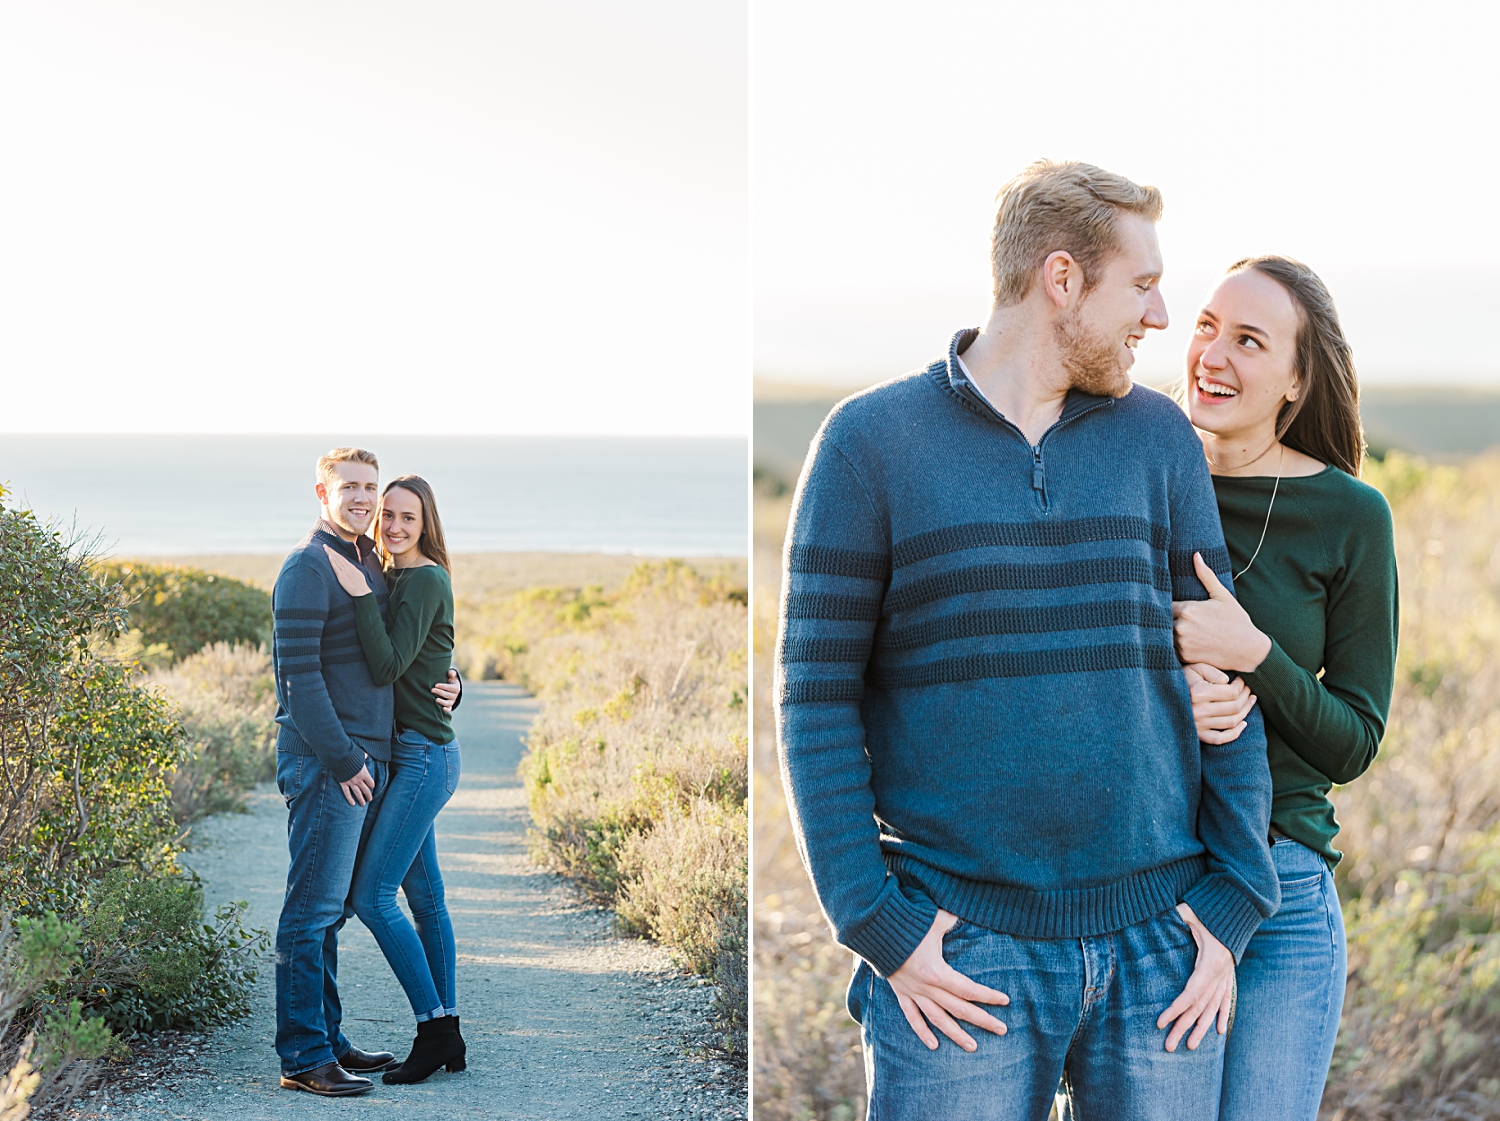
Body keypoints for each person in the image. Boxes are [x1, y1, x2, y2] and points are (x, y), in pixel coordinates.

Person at [775, 159, 1280, 1121]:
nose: (1161, 317)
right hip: (961, 952)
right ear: (1061, 280)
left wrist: (1231, 907)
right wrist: (880, 924)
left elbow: (1219, 665)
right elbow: (815, 699)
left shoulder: (1160, 442)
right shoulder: (868, 443)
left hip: (1163, 949)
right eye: (1141, 285)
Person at [1170, 257, 1397, 1120]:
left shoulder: (1350, 517)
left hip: (1287, 893)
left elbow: (1354, 739)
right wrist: (1174, 700)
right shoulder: (1139, 474)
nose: (1213, 353)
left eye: (1249, 340)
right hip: (1157, 882)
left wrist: (1255, 652)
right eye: (1205, 325)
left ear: (1297, 379)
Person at [272, 448, 461, 1097]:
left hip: (371, 759)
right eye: (349, 486)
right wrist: (345, 758)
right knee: (313, 907)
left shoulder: (364, 560)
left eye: (368, 487)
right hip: (332, 762)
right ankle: (303, 1054)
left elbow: (406, 651)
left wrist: (449, 682)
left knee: (331, 912)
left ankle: (327, 1035)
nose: (361, 497)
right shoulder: (306, 567)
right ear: (322, 491)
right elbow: (297, 679)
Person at [324, 474, 467, 1084]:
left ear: (426, 522)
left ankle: (433, 1030)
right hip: (416, 751)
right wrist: (456, 680)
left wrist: (357, 594)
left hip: (422, 757)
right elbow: (429, 661)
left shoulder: (424, 576)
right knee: (426, 899)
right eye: (387, 515)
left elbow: (387, 664)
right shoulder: (393, 575)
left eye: (409, 517)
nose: (395, 526)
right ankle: (451, 1035)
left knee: (371, 896)